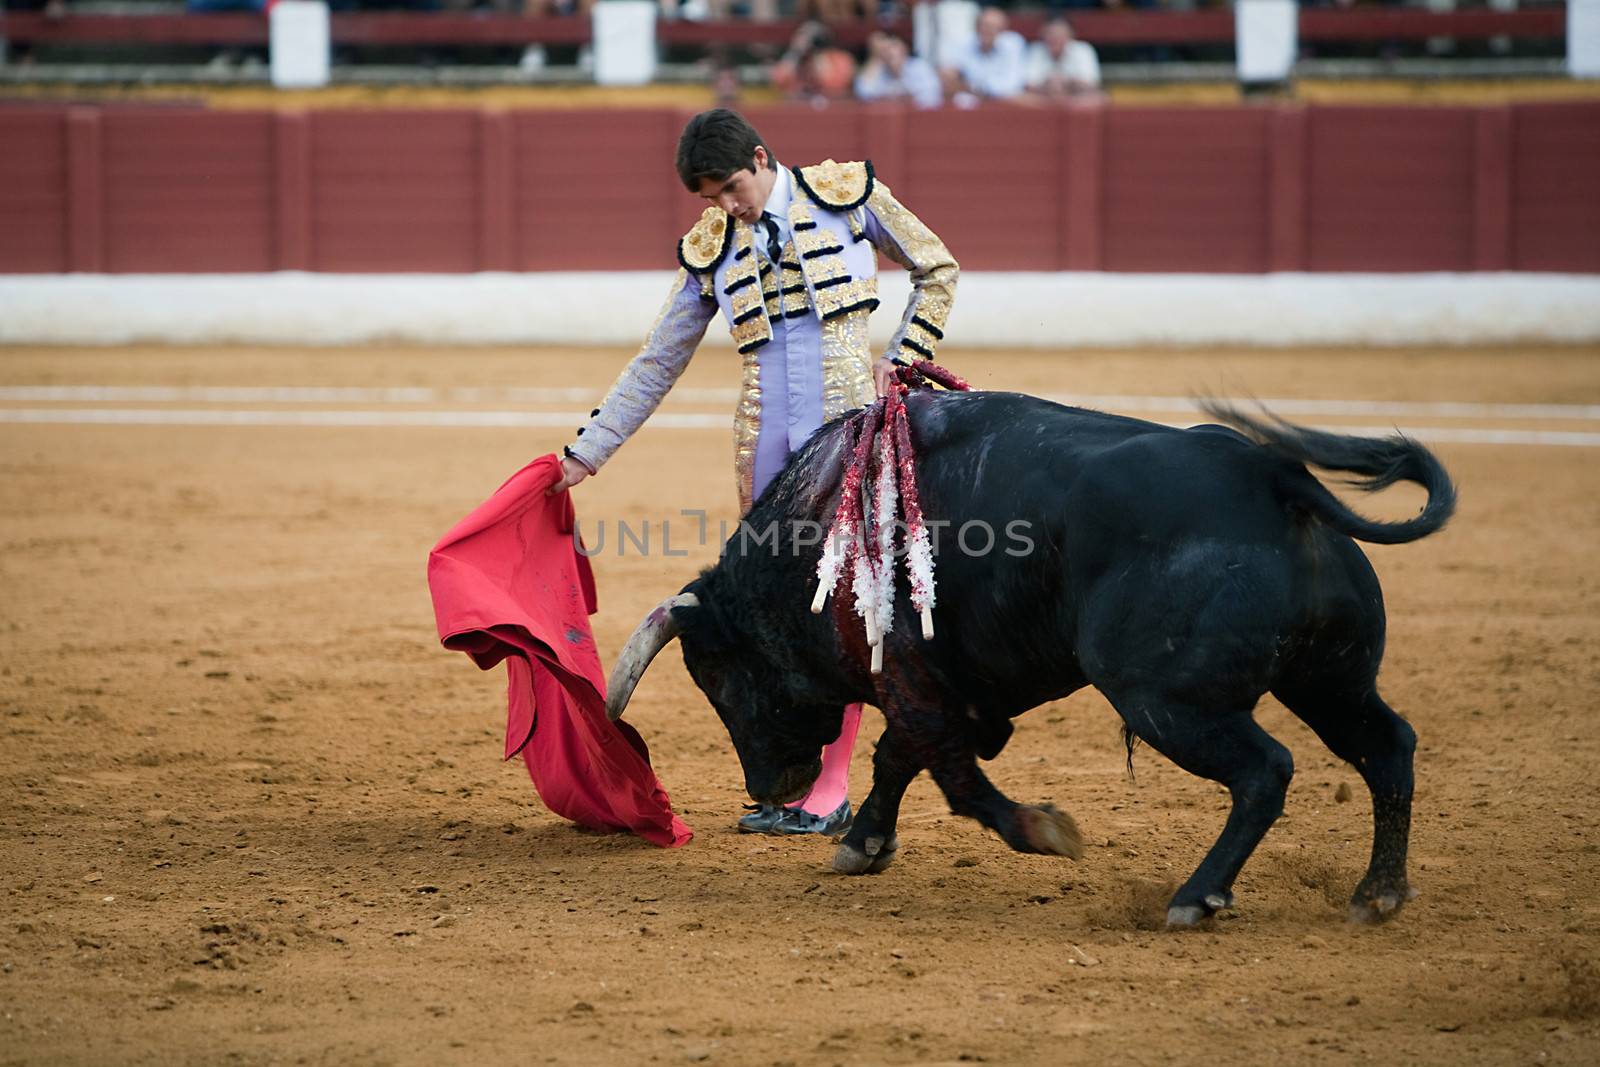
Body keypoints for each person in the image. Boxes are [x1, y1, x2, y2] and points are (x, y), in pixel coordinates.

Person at [547, 109, 959, 836]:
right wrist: (589, 451)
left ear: (762, 160)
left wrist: (905, 356)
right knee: (782, 609)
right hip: (763, 442)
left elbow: (937, 266)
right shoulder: (711, 248)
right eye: (710, 198)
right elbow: (658, 358)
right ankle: (795, 775)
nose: (726, 206)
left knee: (847, 601)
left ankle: (831, 789)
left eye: (731, 188)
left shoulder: (846, 195)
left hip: (848, 431)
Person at [944, 6, 1028, 105]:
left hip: (1008, 104)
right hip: (974, 104)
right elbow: (949, 77)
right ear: (976, 27)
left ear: (1003, 30)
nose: (987, 30)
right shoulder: (964, 44)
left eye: (994, 27)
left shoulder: (1013, 43)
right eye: (984, 25)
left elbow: (1013, 85)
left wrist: (976, 88)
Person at [855, 31, 943, 110]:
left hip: (920, 118)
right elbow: (863, 93)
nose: (890, 52)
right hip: (888, 121)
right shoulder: (880, 69)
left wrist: (906, 97)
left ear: (904, 49)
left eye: (893, 46)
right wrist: (875, 59)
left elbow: (933, 96)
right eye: (885, 49)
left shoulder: (919, 67)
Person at [1025, 17, 1103, 102]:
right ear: (1042, 34)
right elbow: (1029, 85)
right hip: (1043, 99)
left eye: (1060, 34)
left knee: (1098, 98)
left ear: (1070, 35)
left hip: (1076, 99)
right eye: (1050, 34)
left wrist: (1066, 82)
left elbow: (1092, 84)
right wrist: (1049, 84)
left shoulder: (1083, 49)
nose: (1054, 38)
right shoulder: (1036, 49)